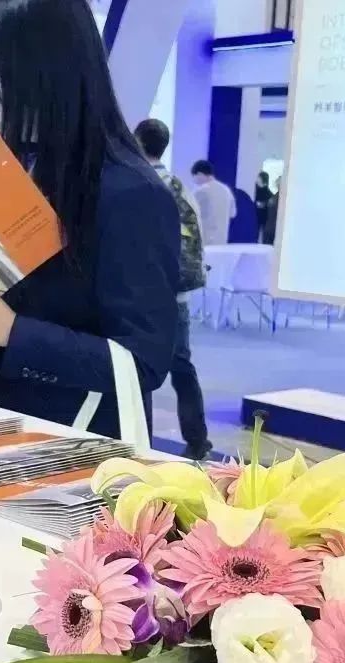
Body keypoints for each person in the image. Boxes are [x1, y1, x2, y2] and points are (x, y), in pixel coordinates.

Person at [0, 0, 179, 439]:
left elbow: (144, 360)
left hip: (84, 448)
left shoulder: (130, 191)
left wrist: (16, 333)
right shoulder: (11, 172)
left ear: (47, 76)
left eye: (2, 80)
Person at [134, 118, 211, 458]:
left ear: (137, 142)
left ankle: (140, 441)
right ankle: (198, 439)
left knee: (138, 369)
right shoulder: (181, 188)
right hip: (177, 295)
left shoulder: (138, 184)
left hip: (143, 295)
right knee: (182, 367)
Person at [190, 160, 237, 246]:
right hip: (222, 241)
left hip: (204, 241)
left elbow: (188, 213)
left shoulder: (200, 191)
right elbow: (232, 214)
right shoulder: (226, 190)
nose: (194, 181)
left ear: (200, 174)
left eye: (194, 177)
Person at [254, 171, 272, 240]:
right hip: (255, 216)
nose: (257, 179)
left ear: (262, 179)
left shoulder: (268, 193)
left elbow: (268, 205)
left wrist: (262, 204)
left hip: (264, 218)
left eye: (258, 177)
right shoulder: (255, 189)